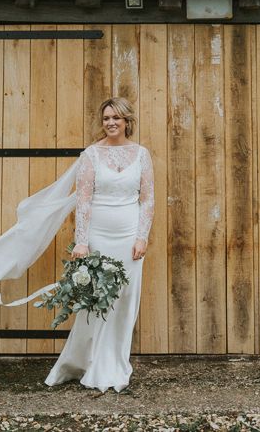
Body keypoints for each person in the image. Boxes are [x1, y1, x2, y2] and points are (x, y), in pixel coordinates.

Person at [45, 97, 154, 392]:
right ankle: (87, 362)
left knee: (124, 300)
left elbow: (146, 199)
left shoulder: (141, 154)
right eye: (106, 118)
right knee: (96, 300)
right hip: (99, 235)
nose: (111, 123)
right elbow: (83, 199)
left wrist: (142, 236)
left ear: (127, 121)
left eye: (117, 118)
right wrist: (82, 241)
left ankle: (114, 363)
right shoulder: (91, 154)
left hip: (130, 236)